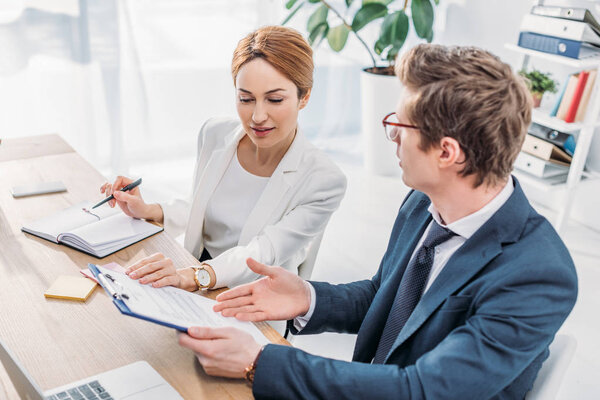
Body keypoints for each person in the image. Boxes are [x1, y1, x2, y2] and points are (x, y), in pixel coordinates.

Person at [175, 44, 578, 399]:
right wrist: (308, 298)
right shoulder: (422, 203)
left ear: (447, 152)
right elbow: (384, 295)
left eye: (399, 126)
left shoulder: (537, 273)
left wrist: (260, 362)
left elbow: (424, 390)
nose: (392, 137)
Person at [100, 26, 346, 291]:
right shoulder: (215, 133)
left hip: (255, 297)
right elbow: (200, 206)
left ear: (304, 97)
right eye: (246, 99)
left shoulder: (324, 180)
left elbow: (264, 251)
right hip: (195, 275)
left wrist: (194, 277)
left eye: (274, 99)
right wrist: (149, 210)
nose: (258, 116)